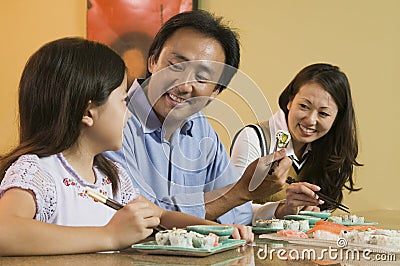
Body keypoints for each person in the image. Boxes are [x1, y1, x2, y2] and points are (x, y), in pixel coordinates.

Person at [0, 37, 252, 256]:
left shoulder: (111, 176)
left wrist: (216, 229)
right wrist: (109, 236)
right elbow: (5, 231)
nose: (129, 114)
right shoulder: (38, 172)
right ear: (88, 112)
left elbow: (160, 216)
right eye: (122, 100)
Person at [105, 10, 292, 225]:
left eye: (202, 77)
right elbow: (131, 216)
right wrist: (240, 192)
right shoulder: (113, 119)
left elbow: (239, 213)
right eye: (176, 66)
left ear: (215, 92)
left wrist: (265, 202)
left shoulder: (198, 125)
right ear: (153, 61)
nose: (183, 85)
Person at [230, 63, 362, 222]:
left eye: (324, 113)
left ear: (337, 119)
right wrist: (282, 210)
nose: (311, 120)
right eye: (304, 106)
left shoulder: (327, 148)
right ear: (290, 101)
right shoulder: (253, 138)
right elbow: (232, 210)